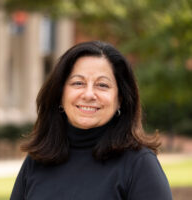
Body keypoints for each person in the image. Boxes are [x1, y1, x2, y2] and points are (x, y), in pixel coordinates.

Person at [10, 41, 172, 200]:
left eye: (102, 85)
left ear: (120, 99)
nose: (88, 94)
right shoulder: (37, 160)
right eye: (78, 83)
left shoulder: (140, 165)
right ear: (60, 94)